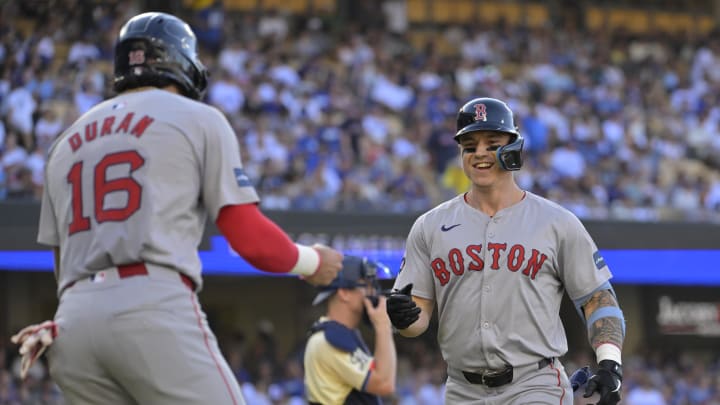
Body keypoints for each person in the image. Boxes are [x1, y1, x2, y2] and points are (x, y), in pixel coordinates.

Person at [10, 12, 343, 405]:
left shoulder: (64, 142)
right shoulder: (197, 117)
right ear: (181, 61)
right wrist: (312, 262)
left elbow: (62, 261)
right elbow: (249, 237)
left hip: (70, 325)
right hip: (150, 307)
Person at [386, 97, 625, 404]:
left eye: (492, 142)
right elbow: (416, 319)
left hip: (535, 383)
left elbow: (597, 297)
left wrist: (610, 363)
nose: (480, 152)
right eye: (470, 145)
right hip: (461, 389)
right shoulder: (430, 226)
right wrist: (403, 318)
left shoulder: (556, 222)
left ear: (513, 147)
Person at [304, 256, 396, 405]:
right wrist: (383, 325)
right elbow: (384, 384)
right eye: (366, 285)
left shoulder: (341, 333)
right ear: (344, 293)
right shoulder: (329, 339)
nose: (372, 292)